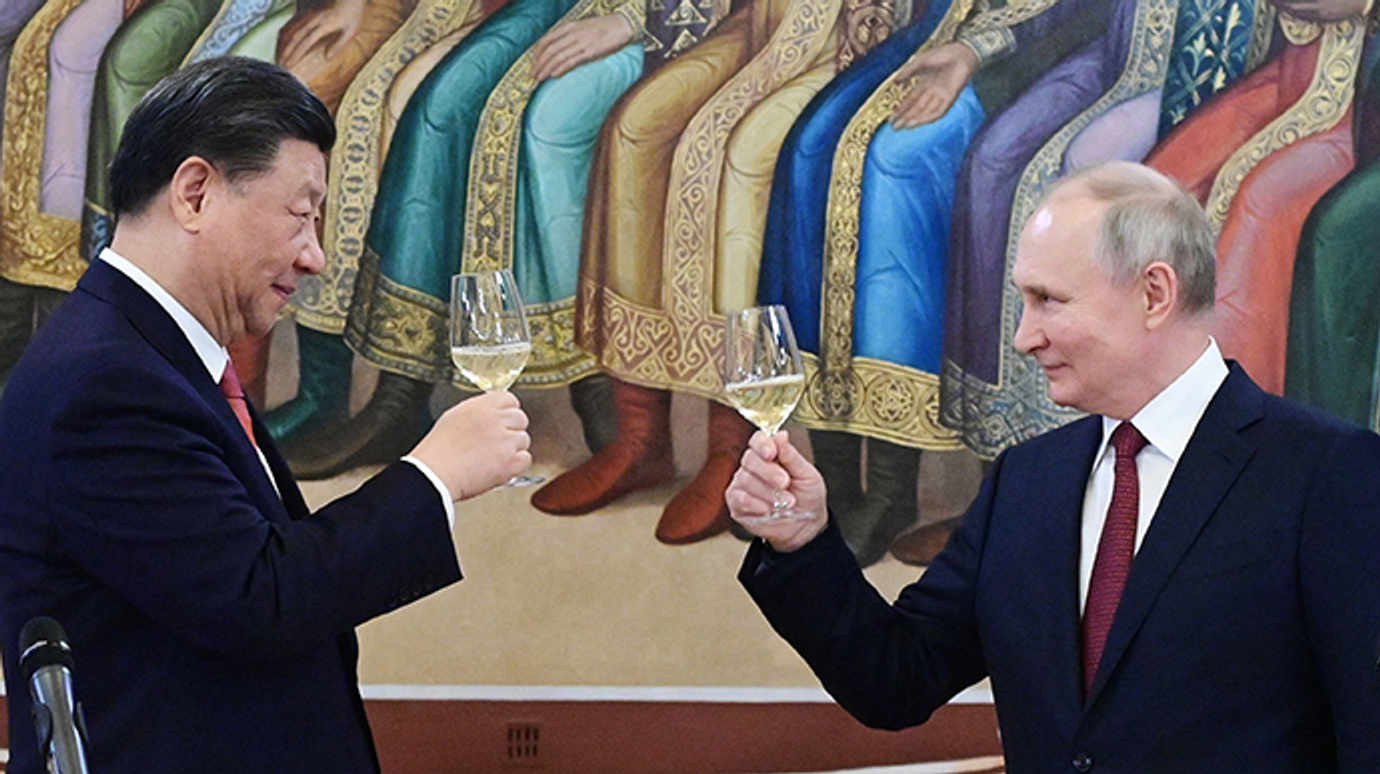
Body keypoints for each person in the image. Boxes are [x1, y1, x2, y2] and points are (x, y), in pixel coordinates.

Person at [728, 161, 1380, 770]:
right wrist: (802, 542)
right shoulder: (1026, 482)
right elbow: (896, 679)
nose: (1023, 337)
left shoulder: (1328, 473)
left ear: (1154, 293)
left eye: (1048, 300)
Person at [0, 56, 532, 774]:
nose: (315, 257)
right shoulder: (104, 383)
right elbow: (257, 597)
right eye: (302, 215)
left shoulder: (150, 355)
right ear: (195, 194)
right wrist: (433, 476)